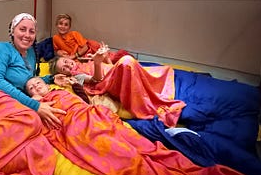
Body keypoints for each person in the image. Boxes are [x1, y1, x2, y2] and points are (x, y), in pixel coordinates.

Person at [24, 76, 258, 175]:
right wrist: (35, 105)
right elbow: (47, 130)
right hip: (82, 132)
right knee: (133, 162)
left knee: (151, 149)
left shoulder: (60, 89)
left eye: (37, 83)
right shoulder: (38, 107)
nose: (36, 87)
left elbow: (81, 93)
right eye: (31, 89)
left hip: (98, 118)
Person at [49, 49, 186, 127]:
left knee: (126, 58)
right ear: (64, 73)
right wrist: (97, 63)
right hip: (109, 82)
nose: (68, 66)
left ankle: (150, 83)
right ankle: (149, 103)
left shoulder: (82, 61)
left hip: (112, 71)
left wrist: (104, 57)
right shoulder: (77, 76)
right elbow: (96, 80)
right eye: (64, 68)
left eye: (66, 62)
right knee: (126, 61)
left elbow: (108, 66)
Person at [0, 13, 66, 129]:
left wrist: (50, 78)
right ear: (12, 31)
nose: (27, 35)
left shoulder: (30, 53)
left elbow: (28, 81)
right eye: (22, 29)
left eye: (31, 31)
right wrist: (35, 106)